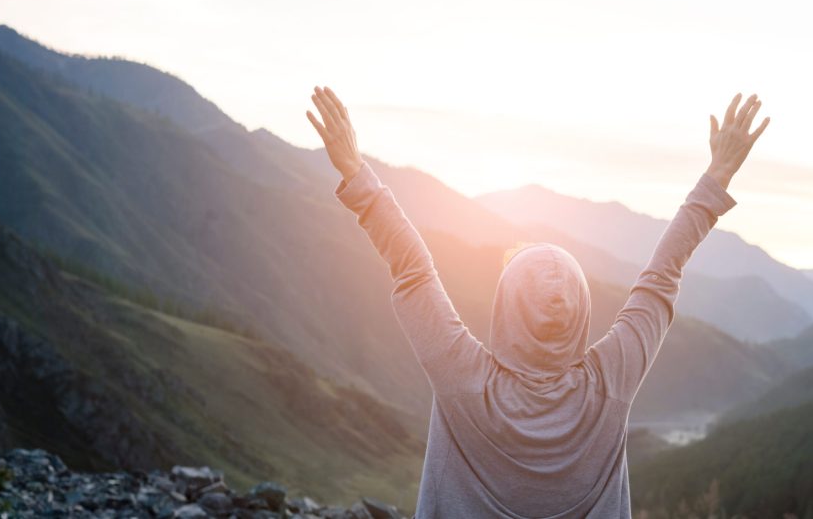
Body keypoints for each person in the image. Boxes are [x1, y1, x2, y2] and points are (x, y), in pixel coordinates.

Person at [307, 87, 769, 518]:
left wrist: (354, 169)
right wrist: (717, 176)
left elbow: (412, 267)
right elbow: (662, 275)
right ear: (581, 312)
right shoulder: (612, 382)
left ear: (506, 310)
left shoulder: (462, 377)